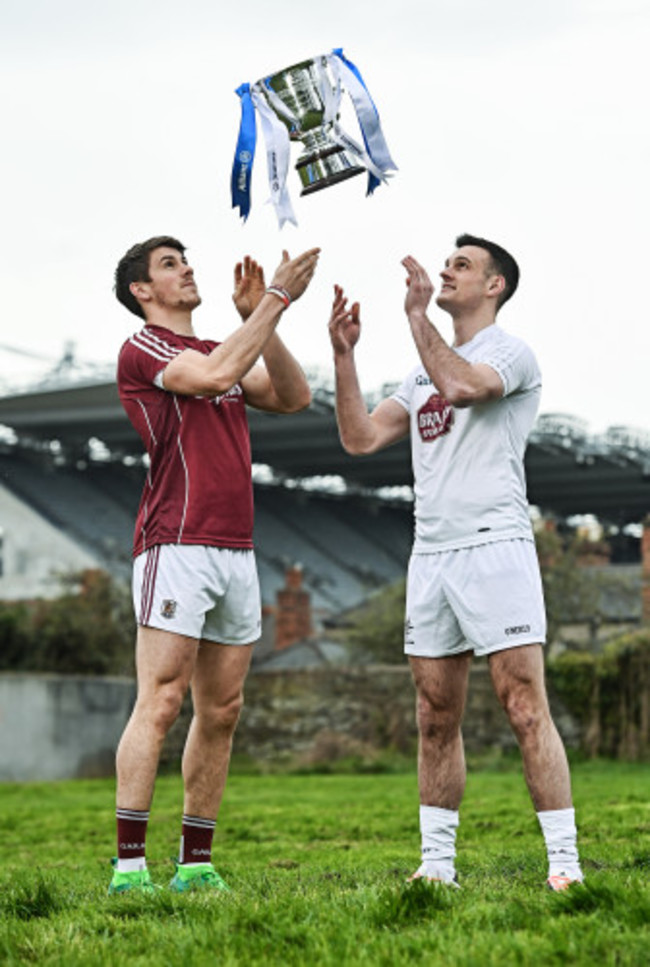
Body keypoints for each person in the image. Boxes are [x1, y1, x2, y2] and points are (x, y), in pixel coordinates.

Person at [328, 234, 583, 892]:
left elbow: (465, 387)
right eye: (446, 263)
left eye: (461, 265)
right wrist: (344, 356)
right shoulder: (418, 375)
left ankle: (566, 866)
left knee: (523, 706)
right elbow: (359, 437)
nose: (445, 271)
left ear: (495, 286)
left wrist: (416, 316)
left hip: (496, 546)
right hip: (432, 554)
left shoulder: (508, 353)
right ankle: (437, 867)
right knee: (434, 714)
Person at [110, 235, 319, 894]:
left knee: (222, 708)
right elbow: (212, 377)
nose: (187, 269)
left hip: (236, 548)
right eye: (170, 265)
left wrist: (263, 315)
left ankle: (195, 864)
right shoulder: (145, 347)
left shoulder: (217, 347)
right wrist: (278, 297)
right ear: (143, 289)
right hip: (175, 543)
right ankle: (129, 868)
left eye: (185, 260)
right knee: (162, 700)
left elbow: (292, 396)